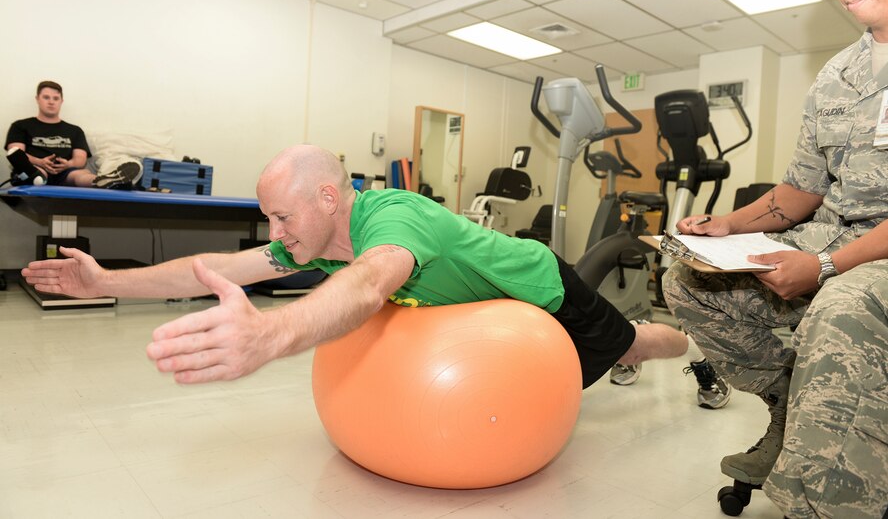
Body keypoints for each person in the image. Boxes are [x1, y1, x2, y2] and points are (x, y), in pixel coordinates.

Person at [22, 144, 688, 391]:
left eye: (282, 218)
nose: (274, 235)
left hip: (541, 291)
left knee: (632, 345)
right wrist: (104, 280)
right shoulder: (308, 240)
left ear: (329, 198)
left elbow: (371, 282)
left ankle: (695, 346)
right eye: (271, 222)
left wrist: (270, 335)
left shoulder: (391, 219)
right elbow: (214, 266)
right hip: (493, 324)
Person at [662, 0, 888, 517]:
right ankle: (793, 411)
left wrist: (828, 269)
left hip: (872, 258)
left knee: (841, 308)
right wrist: (729, 224)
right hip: (828, 237)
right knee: (689, 279)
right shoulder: (839, 73)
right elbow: (801, 190)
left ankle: (823, 498)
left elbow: (839, 272)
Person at [5, 81, 96, 187]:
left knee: (82, 176)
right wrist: (39, 162)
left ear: (61, 101)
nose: (51, 102)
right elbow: (16, 153)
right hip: (34, 168)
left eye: (56, 98)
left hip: (66, 173)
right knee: (37, 174)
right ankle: (37, 178)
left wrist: (68, 164)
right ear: (37, 99)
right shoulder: (20, 126)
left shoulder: (75, 130)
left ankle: (107, 182)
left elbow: (80, 159)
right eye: (46, 97)